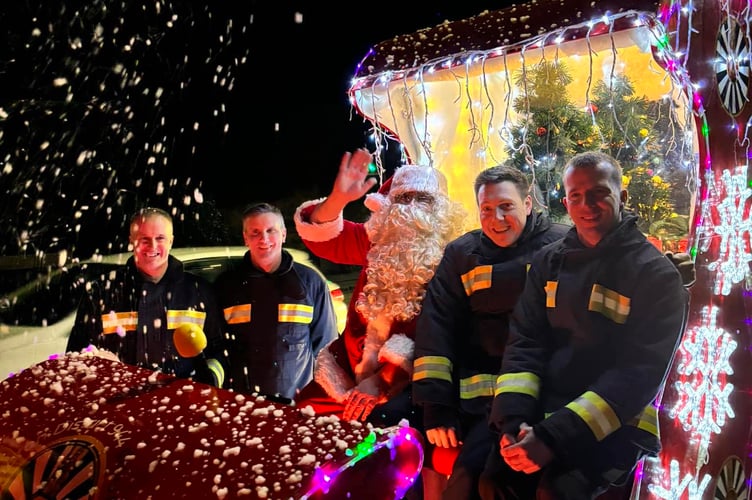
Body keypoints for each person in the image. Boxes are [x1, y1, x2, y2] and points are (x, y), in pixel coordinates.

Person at [478, 152, 690, 500]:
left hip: (619, 424)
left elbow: (636, 376)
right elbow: (525, 344)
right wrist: (514, 423)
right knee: (494, 480)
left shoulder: (655, 275)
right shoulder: (548, 262)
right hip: (545, 415)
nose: (586, 204)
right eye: (576, 195)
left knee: (556, 492)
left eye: (598, 193)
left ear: (621, 195)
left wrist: (551, 439)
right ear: (565, 201)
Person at [412, 165, 570, 499]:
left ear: (528, 204)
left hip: (547, 401)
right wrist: (436, 406)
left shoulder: (564, 245)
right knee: (467, 480)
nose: (496, 218)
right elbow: (436, 325)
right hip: (483, 407)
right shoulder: (461, 255)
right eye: (486, 209)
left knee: (499, 482)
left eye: (506, 206)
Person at [292, 148, 467, 426]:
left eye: (423, 199)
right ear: (389, 204)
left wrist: (383, 379)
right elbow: (321, 236)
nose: (411, 208)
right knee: (303, 419)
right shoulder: (378, 239)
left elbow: (443, 333)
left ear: (440, 209)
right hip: (345, 372)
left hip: (408, 382)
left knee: (381, 442)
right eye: (403, 198)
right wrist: (338, 199)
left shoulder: (454, 255)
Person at [67, 207, 227, 387]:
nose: (152, 246)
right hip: (118, 405)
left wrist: (211, 378)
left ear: (171, 241)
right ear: (131, 242)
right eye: (144, 239)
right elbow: (77, 355)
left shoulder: (200, 292)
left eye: (160, 238)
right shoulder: (101, 292)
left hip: (183, 403)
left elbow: (219, 350)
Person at [213, 202, 339, 402]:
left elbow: (326, 347)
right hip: (243, 404)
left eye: (270, 230)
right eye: (255, 232)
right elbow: (217, 346)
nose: (264, 239)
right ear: (246, 238)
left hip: (297, 404)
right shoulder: (226, 286)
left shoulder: (310, 282)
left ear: (283, 234)